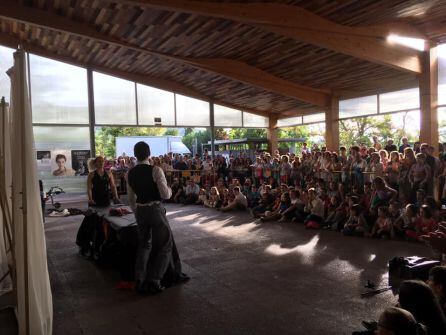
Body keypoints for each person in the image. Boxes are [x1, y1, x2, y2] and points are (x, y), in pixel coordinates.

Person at [127, 141, 180, 295]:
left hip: (140, 210)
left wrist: (136, 212)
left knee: (144, 245)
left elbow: (131, 198)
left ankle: (139, 278)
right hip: (155, 209)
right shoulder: (155, 170)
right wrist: (170, 188)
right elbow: (165, 194)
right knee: (165, 244)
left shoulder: (129, 172)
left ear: (135, 155)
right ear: (149, 154)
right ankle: (155, 280)